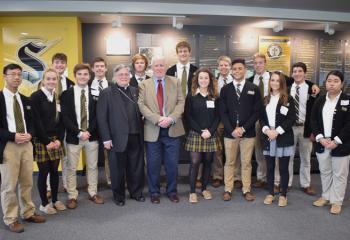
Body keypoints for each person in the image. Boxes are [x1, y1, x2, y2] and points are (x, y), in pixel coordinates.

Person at [0, 64, 45, 233]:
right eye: (13, 74)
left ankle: (28, 212)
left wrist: (30, 134)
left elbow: (33, 124)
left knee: (27, 182)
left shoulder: (25, 100)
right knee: (9, 185)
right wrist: (12, 136)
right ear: (5, 76)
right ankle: (11, 218)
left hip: (26, 145)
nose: (17, 77)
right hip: (8, 146)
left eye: (19, 74)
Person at [138, 56, 185, 204]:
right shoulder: (144, 85)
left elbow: (181, 102)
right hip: (153, 129)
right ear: (152, 67)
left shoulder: (175, 82)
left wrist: (170, 118)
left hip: (172, 128)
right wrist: (158, 119)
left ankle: (172, 191)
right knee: (153, 164)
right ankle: (154, 192)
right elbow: (141, 105)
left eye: (162, 65)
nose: (159, 68)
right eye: (156, 65)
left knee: (172, 164)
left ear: (166, 67)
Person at [97, 64, 145, 206]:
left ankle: (136, 192)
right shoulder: (107, 92)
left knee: (135, 167)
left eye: (126, 74)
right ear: (114, 77)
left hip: (135, 135)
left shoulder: (135, 91)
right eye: (120, 75)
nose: (124, 77)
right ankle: (119, 196)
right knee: (117, 169)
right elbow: (101, 118)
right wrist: (106, 138)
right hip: (116, 138)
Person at [61, 63, 103, 209]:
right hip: (74, 137)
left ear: (89, 76)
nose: (83, 77)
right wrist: (79, 132)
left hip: (91, 136)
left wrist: (88, 131)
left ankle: (93, 192)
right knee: (71, 168)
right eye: (80, 74)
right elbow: (65, 117)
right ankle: (72, 196)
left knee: (92, 166)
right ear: (75, 76)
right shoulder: (66, 94)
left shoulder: (95, 93)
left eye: (85, 74)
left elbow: (98, 116)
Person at [219, 58, 262, 202]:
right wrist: (232, 129)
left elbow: (256, 112)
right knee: (229, 162)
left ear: (245, 70)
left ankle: (246, 189)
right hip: (230, 133)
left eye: (240, 68)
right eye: (235, 69)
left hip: (247, 133)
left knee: (246, 162)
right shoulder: (225, 89)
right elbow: (222, 112)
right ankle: (228, 189)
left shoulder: (253, 88)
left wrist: (243, 128)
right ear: (231, 71)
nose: (237, 71)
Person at [311, 70, 350, 215]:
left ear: (342, 84)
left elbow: (348, 124)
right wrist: (320, 137)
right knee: (325, 172)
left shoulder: (347, 100)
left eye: (335, 81)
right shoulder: (320, 100)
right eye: (329, 81)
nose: (332, 84)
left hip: (341, 144)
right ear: (325, 83)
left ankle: (336, 201)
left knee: (339, 174)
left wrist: (337, 141)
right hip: (322, 143)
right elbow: (313, 120)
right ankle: (326, 196)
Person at [31, 68, 66, 214]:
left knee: (54, 171)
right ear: (43, 80)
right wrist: (47, 142)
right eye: (49, 79)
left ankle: (55, 200)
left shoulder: (56, 97)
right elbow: (36, 122)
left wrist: (58, 139)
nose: (51, 81)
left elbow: (60, 121)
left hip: (55, 139)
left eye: (54, 79)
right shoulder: (36, 96)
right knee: (44, 172)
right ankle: (44, 204)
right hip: (41, 140)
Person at [184, 68, 221, 203]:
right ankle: (192, 191)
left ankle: (204, 189)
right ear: (197, 80)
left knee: (208, 162)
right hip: (196, 133)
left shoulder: (215, 96)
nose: (203, 80)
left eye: (206, 78)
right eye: (201, 78)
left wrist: (210, 131)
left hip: (210, 133)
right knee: (194, 163)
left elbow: (218, 117)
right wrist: (201, 131)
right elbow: (188, 116)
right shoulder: (192, 95)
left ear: (210, 80)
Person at [260, 72, 296, 207]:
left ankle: (283, 195)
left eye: (277, 81)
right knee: (269, 167)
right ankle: (270, 193)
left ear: (282, 83)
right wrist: (267, 130)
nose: (274, 83)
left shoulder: (288, 99)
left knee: (283, 168)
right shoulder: (265, 99)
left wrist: (277, 131)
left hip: (283, 136)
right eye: (272, 80)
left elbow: (291, 118)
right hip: (268, 135)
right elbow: (261, 118)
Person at [288, 62, 318, 195]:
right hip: (290, 128)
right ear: (292, 73)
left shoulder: (312, 89)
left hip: (306, 128)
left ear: (305, 73)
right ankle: (286, 183)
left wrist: (313, 131)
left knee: (305, 158)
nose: (297, 73)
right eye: (295, 71)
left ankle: (305, 184)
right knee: (288, 158)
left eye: (300, 71)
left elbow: (316, 112)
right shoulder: (287, 88)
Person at [213, 56, 242, 189]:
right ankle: (218, 176)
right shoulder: (212, 82)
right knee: (218, 149)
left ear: (230, 67)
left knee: (234, 150)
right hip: (217, 120)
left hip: (232, 121)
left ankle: (236, 177)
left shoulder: (237, 81)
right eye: (221, 65)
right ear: (217, 67)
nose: (224, 67)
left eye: (226, 65)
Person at [50, 52, 75, 194]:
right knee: (50, 160)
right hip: (51, 127)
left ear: (66, 65)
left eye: (62, 63)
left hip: (66, 126)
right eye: (57, 62)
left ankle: (66, 184)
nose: (60, 65)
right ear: (52, 64)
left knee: (66, 157)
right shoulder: (45, 82)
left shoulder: (71, 84)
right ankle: (48, 187)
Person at [89, 57, 111, 186]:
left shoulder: (113, 85)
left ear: (106, 68)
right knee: (92, 158)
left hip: (108, 126)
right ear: (92, 69)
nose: (99, 68)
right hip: (92, 126)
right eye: (96, 66)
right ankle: (92, 184)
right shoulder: (86, 86)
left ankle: (110, 179)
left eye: (102, 66)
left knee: (109, 155)